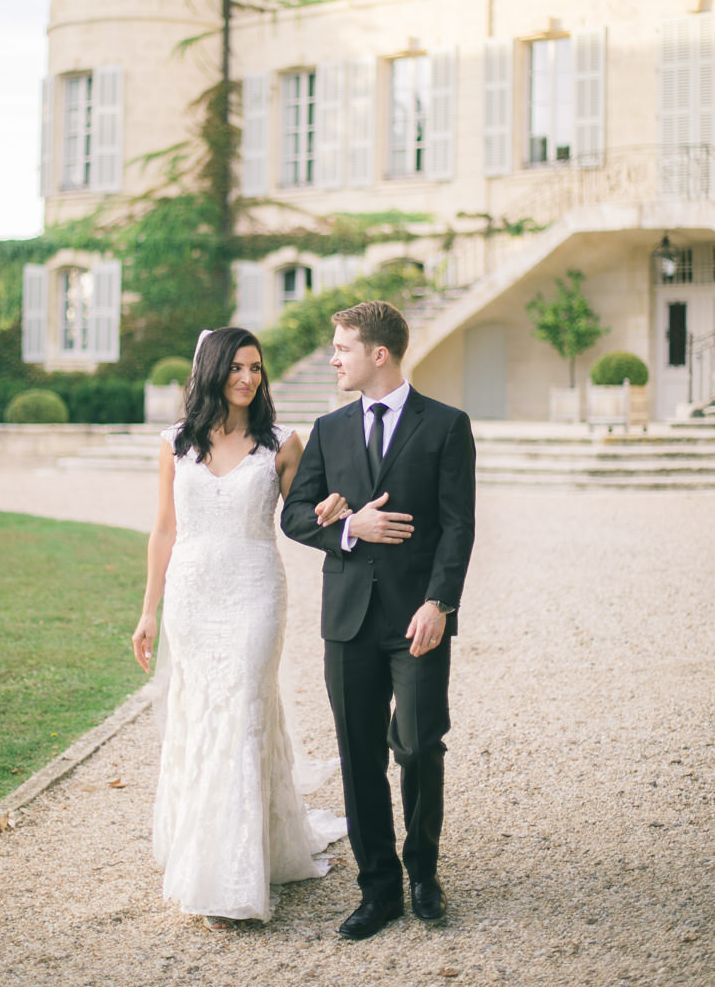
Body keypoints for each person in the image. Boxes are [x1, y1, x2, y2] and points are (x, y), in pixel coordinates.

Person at [132, 326, 346, 930]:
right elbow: (164, 530)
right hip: (193, 598)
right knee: (203, 713)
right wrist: (149, 609)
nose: (248, 378)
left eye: (256, 368)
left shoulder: (282, 441)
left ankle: (230, 876)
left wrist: (337, 507)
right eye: (236, 368)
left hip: (255, 592)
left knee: (243, 710)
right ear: (212, 370)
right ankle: (203, 850)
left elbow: (302, 514)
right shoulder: (175, 443)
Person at [281, 300, 475, 941]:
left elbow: (457, 525)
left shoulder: (446, 425)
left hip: (417, 617)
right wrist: (347, 530)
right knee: (359, 754)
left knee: (420, 745)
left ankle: (424, 872)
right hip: (349, 619)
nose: (334, 358)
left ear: (378, 354)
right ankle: (379, 888)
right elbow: (295, 514)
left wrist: (440, 603)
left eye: (342, 348)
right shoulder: (329, 429)